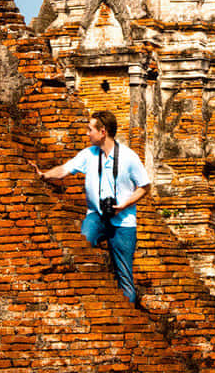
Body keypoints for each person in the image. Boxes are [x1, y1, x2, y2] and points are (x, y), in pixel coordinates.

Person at [34, 111, 150, 304]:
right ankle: (88, 301)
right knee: (80, 250)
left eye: (90, 129)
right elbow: (65, 169)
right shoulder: (89, 154)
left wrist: (124, 205)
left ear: (102, 132)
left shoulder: (129, 157)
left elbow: (145, 187)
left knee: (125, 278)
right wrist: (44, 175)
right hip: (96, 216)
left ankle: (126, 321)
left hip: (123, 221)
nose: (87, 133)